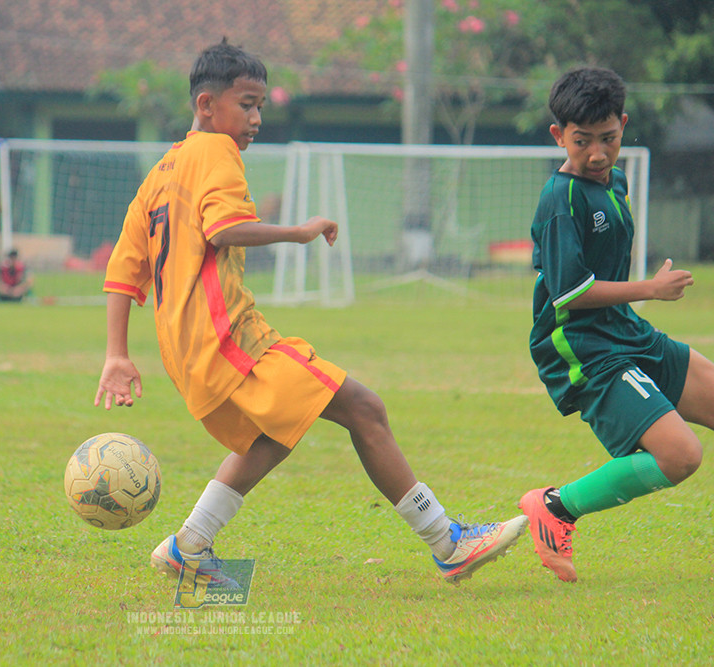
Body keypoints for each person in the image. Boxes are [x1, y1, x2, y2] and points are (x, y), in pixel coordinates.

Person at [94, 40, 527, 586]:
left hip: (188, 348)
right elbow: (223, 229)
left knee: (275, 433)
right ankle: (449, 542)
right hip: (228, 337)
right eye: (246, 104)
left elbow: (122, 268)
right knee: (364, 408)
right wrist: (297, 231)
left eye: (260, 108)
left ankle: (189, 546)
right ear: (206, 106)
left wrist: (116, 353)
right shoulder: (215, 152)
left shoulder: (161, 171)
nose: (254, 119)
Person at [519, 66, 714, 583]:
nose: (598, 154)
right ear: (559, 136)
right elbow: (572, 293)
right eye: (583, 142)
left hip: (623, 331)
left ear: (623, 125)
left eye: (608, 138)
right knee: (680, 456)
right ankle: (556, 507)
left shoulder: (616, 182)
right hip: (584, 345)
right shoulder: (560, 200)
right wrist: (650, 289)